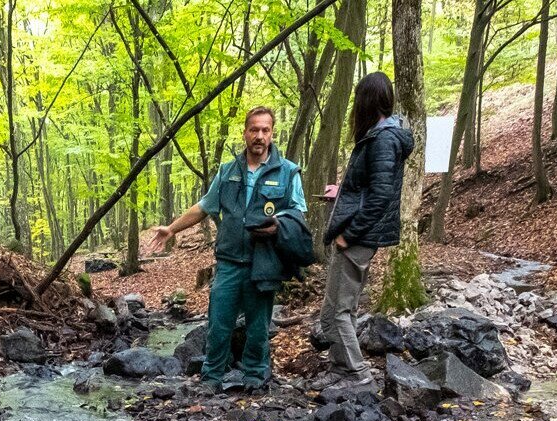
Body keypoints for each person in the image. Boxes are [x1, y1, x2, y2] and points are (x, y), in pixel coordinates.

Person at [147, 106, 314, 391]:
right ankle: (211, 378)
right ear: (244, 133)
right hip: (228, 262)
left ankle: (255, 376)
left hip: (263, 261)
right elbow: (203, 207)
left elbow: (298, 212)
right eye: (254, 130)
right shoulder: (227, 171)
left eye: (265, 130)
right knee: (219, 323)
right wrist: (172, 229)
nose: (259, 136)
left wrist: (277, 227)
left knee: (258, 326)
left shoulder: (288, 172)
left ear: (272, 134)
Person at [312, 72, 414, 383]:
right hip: (361, 234)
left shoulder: (383, 139)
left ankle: (357, 374)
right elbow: (370, 186)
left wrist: (349, 233)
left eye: (358, 99)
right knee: (340, 309)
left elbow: (381, 196)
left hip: (358, 237)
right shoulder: (381, 135)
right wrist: (343, 189)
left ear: (367, 101)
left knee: (339, 312)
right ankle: (340, 367)